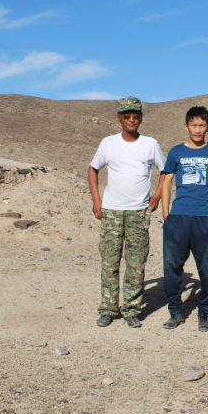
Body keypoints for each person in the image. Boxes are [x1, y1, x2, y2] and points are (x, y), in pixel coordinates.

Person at [88, 96, 166, 329]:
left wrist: (157, 195)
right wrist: (96, 199)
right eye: (127, 115)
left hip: (138, 212)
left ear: (141, 117)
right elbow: (93, 170)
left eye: (136, 115)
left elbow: (165, 170)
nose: (132, 119)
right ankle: (109, 309)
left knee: (135, 262)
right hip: (112, 211)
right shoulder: (108, 143)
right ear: (119, 118)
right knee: (110, 262)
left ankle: (132, 309)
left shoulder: (150, 144)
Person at [159, 106, 208, 332]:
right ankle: (175, 311)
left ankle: (204, 313)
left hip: (205, 219)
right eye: (193, 125)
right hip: (178, 217)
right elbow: (166, 182)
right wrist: (166, 213)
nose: (197, 129)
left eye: (202, 125)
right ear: (186, 126)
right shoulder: (176, 152)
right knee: (172, 268)